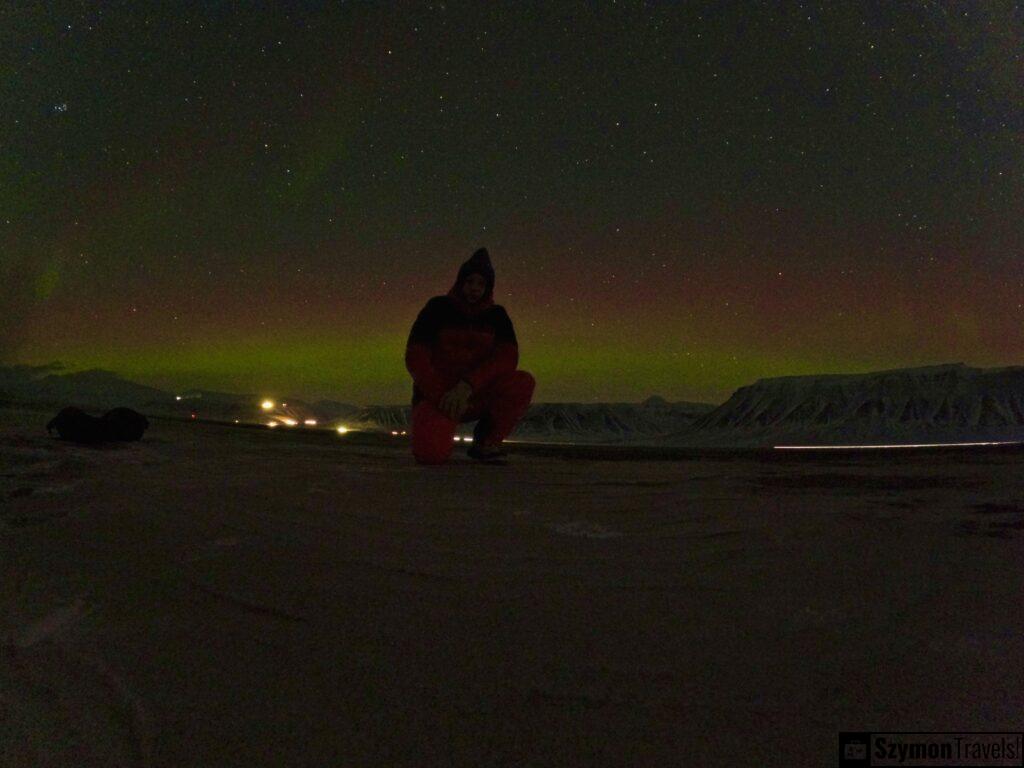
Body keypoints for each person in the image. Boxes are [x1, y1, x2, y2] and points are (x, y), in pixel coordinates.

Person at [405, 247, 535, 464]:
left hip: (474, 395)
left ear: (488, 288)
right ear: (460, 282)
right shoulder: (437, 308)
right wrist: (442, 396)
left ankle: (486, 442)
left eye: (481, 284)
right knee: (431, 457)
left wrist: (468, 386)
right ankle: (438, 433)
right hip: (440, 398)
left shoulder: (497, 316)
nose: (474, 289)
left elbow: (506, 359)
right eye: (470, 282)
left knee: (521, 383)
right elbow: (416, 356)